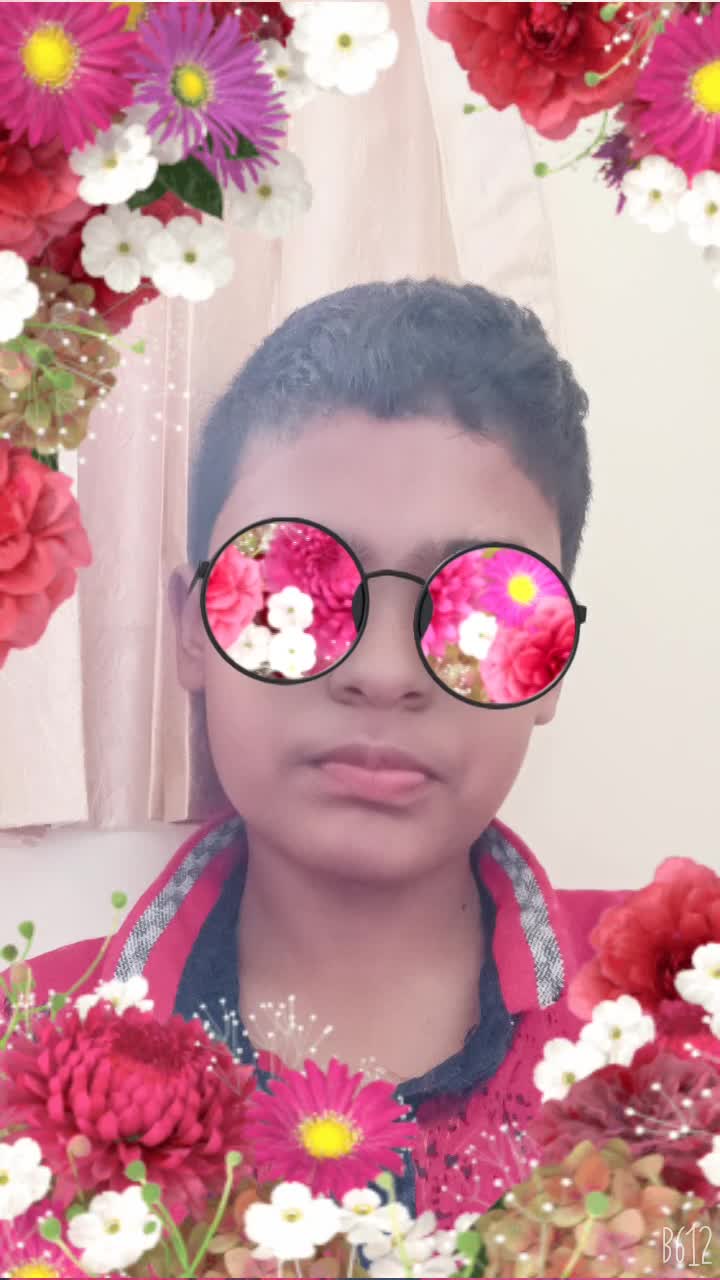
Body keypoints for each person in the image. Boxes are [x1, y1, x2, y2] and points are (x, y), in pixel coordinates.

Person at [8, 279, 626, 1225]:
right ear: (189, 631)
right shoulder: (20, 1063)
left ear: (558, 659)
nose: (383, 674)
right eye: (293, 586)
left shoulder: (682, 1021)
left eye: (479, 603)